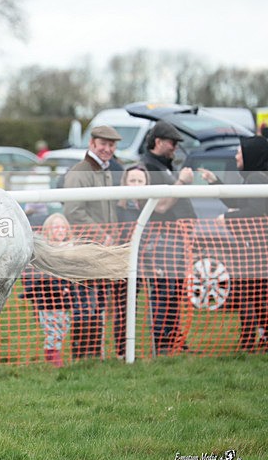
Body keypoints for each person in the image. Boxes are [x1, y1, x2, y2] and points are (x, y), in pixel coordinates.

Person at [140, 120, 207, 355]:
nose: (175, 148)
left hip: (176, 239)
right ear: (158, 142)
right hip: (161, 241)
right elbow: (160, 206)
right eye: (172, 143)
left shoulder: (164, 166)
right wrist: (181, 182)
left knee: (175, 291)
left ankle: (174, 341)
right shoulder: (148, 168)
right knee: (163, 293)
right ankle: (162, 344)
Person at [63, 125, 123, 359]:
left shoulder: (105, 171)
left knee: (98, 305)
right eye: (103, 144)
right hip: (86, 250)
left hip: (102, 249)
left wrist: (111, 237)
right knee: (85, 305)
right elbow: (74, 211)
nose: (107, 149)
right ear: (92, 144)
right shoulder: (80, 172)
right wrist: (103, 236)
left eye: (111, 145)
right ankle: (82, 355)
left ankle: (95, 354)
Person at [209, 136, 268, 351]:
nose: (235, 157)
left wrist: (227, 217)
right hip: (253, 250)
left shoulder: (257, 178)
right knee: (253, 295)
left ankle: (250, 340)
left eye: (239, 152)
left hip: (257, 252)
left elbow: (256, 210)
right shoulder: (255, 177)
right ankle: (253, 339)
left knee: (252, 296)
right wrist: (214, 182)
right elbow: (239, 201)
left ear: (251, 155)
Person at [22, 213, 74, 367]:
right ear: (48, 230)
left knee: (63, 326)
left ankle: (54, 351)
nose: (60, 230)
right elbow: (38, 275)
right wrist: (58, 286)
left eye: (63, 227)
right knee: (52, 329)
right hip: (47, 298)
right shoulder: (43, 250)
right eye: (56, 227)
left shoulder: (71, 248)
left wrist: (68, 287)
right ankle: (52, 356)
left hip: (65, 298)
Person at [111, 164, 151, 357]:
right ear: (125, 182)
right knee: (123, 308)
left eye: (140, 181)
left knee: (137, 307)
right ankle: (121, 350)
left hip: (145, 263)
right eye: (132, 180)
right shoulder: (118, 209)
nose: (136, 184)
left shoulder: (152, 207)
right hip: (121, 264)